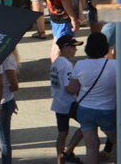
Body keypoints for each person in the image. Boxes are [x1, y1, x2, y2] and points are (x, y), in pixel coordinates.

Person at [67, 32, 117, 164]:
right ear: (106, 47)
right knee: (118, 143)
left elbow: (73, 88)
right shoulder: (115, 65)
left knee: (91, 147)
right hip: (108, 111)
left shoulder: (80, 64)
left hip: (85, 110)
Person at [50, 36, 82, 164]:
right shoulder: (66, 65)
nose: (75, 49)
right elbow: (69, 88)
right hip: (70, 102)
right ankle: (68, 152)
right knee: (87, 124)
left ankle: (60, 160)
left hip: (59, 103)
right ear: (65, 48)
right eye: (73, 46)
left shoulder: (56, 63)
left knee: (62, 132)